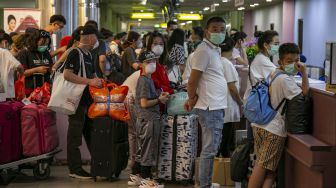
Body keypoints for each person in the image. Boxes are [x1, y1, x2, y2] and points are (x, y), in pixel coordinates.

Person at [248, 43, 309, 188]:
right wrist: (304, 73)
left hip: (259, 124)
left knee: (269, 168)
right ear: (280, 61)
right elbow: (304, 94)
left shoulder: (274, 73)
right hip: (273, 130)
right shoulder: (285, 80)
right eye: (289, 61)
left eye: (297, 60)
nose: (294, 65)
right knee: (262, 166)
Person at [185, 17, 228, 188]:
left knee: (210, 149)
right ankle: (204, 184)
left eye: (222, 29)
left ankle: (205, 182)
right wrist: (190, 98)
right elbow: (192, 80)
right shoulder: (204, 51)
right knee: (209, 150)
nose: (219, 32)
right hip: (210, 106)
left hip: (214, 105)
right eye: (215, 29)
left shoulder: (214, 50)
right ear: (206, 31)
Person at [63, 25, 102, 179]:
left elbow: (91, 76)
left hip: (87, 101)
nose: (97, 41)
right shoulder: (74, 53)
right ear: (92, 37)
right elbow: (67, 74)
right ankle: (75, 168)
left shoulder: (88, 54)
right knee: (75, 135)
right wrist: (89, 81)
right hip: (76, 101)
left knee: (91, 133)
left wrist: (97, 81)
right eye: (97, 38)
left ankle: (100, 164)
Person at [128, 51, 169, 187]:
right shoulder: (144, 80)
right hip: (149, 119)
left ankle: (136, 175)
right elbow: (144, 103)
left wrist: (158, 94)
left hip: (144, 119)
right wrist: (159, 99)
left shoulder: (148, 79)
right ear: (141, 64)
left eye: (154, 60)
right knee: (148, 150)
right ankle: (146, 179)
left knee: (143, 149)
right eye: (148, 61)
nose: (152, 64)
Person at [243, 30, 280, 141]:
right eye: (276, 44)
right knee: (253, 139)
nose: (277, 47)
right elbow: (279, 76)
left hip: (254, 104)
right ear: (265, 45)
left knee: (253, 136)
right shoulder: (262, 60)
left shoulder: (261, 58)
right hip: (257, 104)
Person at [217, 37, 243, 157]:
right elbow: (232, 87)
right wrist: (240, 102)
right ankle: (223, 171)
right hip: (227, 105)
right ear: (232, 49)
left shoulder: (218, 61)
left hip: (221, 105)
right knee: (224, 142)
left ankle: (221, 168)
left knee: (222, 140)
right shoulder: (226, 63)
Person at [16, 29, 53, 96]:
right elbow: (21, 73)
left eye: (46, 43)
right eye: (42, 43)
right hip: (29, 91)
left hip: (45, 91)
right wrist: (36, 70)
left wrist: (51, 70)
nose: (44, 45)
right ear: (35, 40)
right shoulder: (24, 53)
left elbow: (51, 66)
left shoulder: (46, 53)